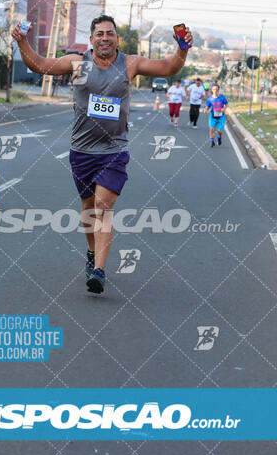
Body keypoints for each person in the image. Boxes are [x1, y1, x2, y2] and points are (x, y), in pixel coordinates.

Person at [12, 15, 192, 293]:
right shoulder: (77, 62)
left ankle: (98, 270)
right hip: (81, 152)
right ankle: (91, 253)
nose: (105, 38)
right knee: (87, 210)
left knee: (103, 208)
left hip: (114, 151)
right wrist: (22, 41)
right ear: (92, 38)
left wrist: (182, 48)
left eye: (110, 33)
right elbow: (40, 65)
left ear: (117, 38)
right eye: (100, 34)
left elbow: (168, 67)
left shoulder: (130, 64)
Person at [205, 83, 228, 147]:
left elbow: (226, 104)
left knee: (219, 131)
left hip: (221, 116)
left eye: (216, 89)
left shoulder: (222, 97)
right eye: (214, 89)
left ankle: (219, 138)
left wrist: (224, 108)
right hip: (213, 116)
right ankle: (212, 141)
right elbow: (207, 106)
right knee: (211, 129)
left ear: (218, 90)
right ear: (212, 90)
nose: (215, 91)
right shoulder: (210, 98)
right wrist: (205, 109)